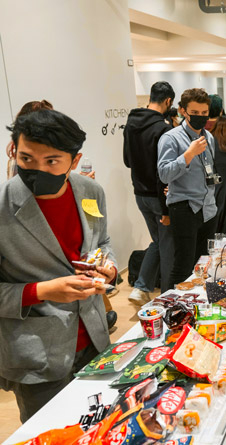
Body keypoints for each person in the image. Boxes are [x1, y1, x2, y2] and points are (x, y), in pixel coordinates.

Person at [0, 109, 117, 422]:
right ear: (14, 150)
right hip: (37, 358)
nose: (37, 169)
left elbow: (102, 242)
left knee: (103, 425)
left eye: (51, 161)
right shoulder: (2, 206)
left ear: (74, 161)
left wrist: (109, 267)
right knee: (53, 432)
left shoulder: (90, 192)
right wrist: (42, 291)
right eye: (26, 159)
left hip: (95, 340)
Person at [158, 88, 218, 288]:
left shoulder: (209, 137)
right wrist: (188, 155)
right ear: (183, 111)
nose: (200, 117)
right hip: (184, 208)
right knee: (183, 266)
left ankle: (197, 305)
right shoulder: (171, 138)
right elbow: (164, 174)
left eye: (204, 113)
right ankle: (173, 308)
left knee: (205, 264)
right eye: (195, 113)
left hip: (208, 208)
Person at [123, 80, 175, 301]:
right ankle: (167, 294)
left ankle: (142, 287)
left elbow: (127, 160)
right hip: (158, 196)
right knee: (167, 245)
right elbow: (163, 173)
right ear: (168, 101)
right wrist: (166, 210)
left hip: (139, 194)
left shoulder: (131, 123)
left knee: (159, 241)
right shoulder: (163, 129)